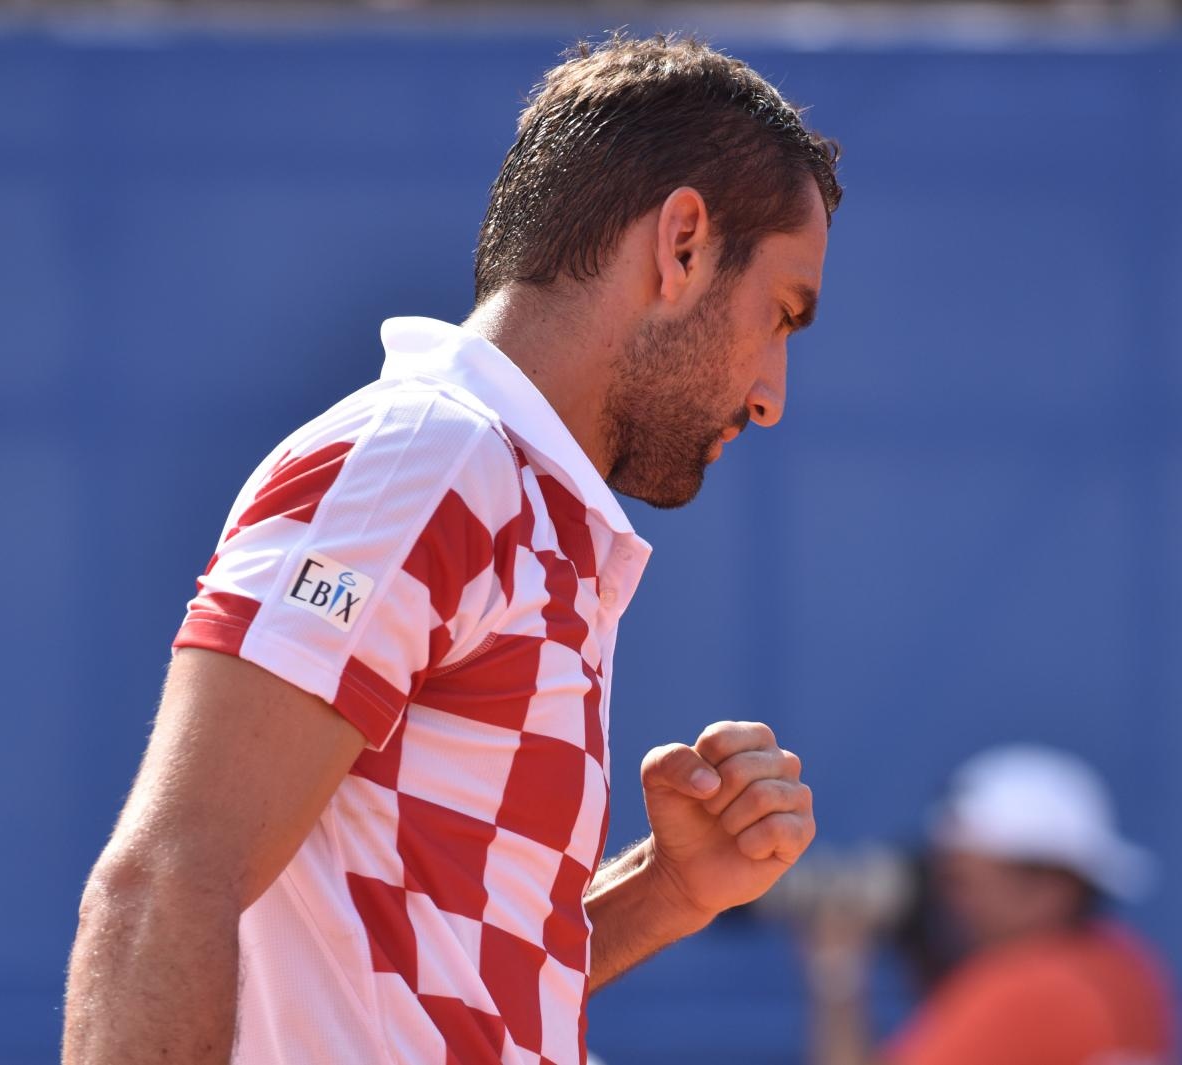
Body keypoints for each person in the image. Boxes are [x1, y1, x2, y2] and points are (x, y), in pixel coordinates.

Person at [63, 33, 840, 1065]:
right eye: (779, 314)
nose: (770, 395)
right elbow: (165, 880)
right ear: (682, 244)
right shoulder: (424, 464)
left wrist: (666, 893)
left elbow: (433, 986)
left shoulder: (508, 501)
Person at [801, 746, 1181, 1065]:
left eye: (962, 882)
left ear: (1050, 889)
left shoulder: (1031, 992)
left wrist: (838, 975)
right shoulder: (1124, 963)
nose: (947, 900)